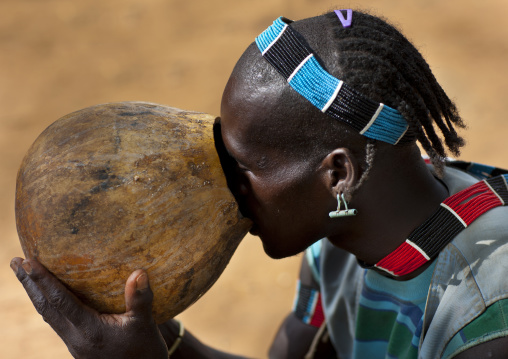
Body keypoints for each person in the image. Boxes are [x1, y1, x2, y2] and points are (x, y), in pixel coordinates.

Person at [10, 9, 508, 359]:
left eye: (244, 165)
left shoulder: (485, 320)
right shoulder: (339, 232)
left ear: (337, 174)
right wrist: (163, 338)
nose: (224, 183)